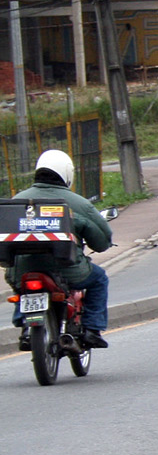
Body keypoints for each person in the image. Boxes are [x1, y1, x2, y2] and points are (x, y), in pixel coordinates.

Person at [6, 149, 113, 349]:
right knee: (99, 279)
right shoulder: (78, 203)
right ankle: (92, 329)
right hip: (68, 271)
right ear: (67, 173)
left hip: (22, 270)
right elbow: (102, 241)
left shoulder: (17, 200)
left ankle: (24, 322)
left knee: (20, 286)